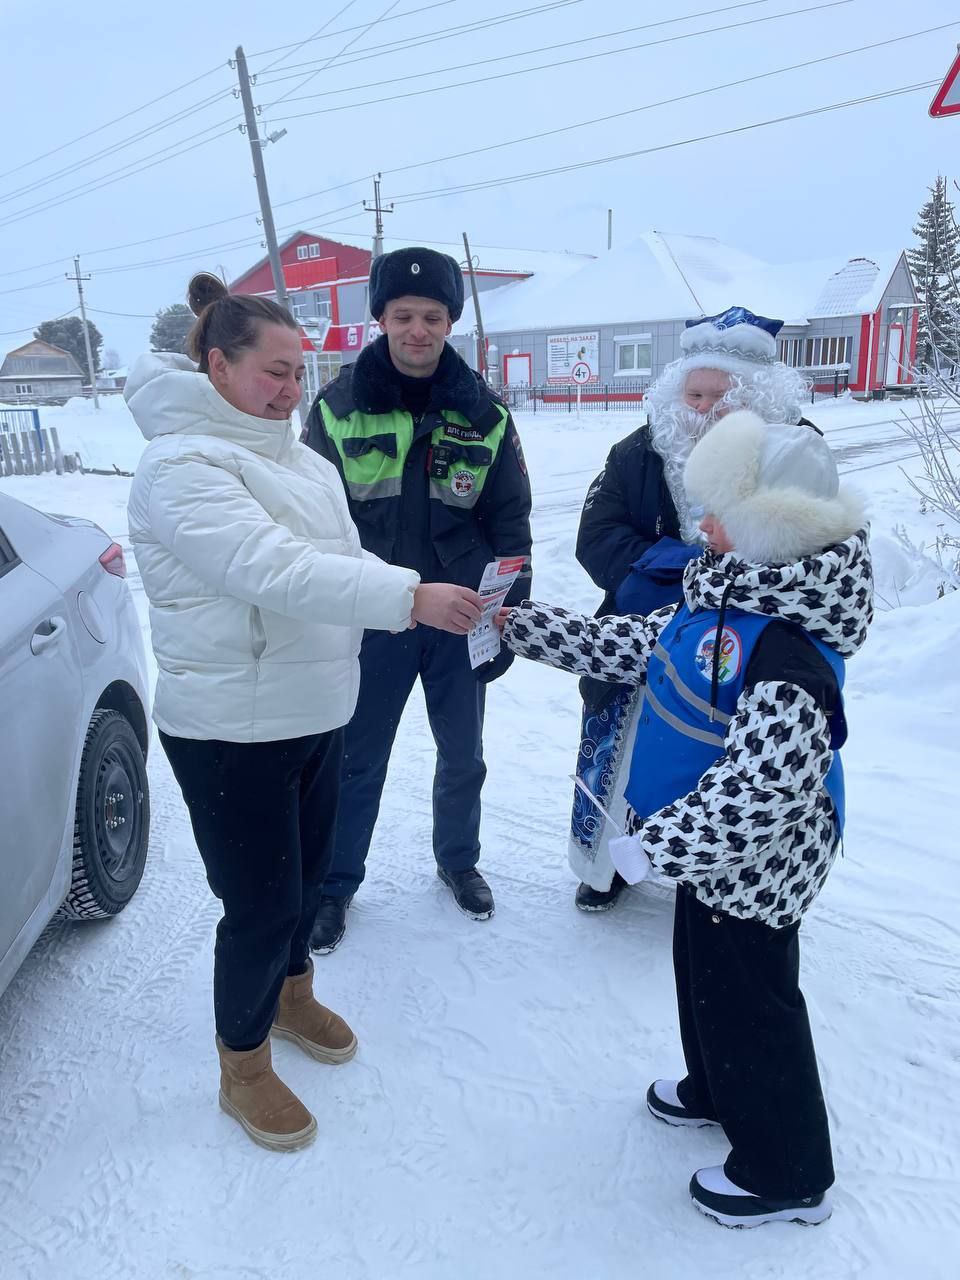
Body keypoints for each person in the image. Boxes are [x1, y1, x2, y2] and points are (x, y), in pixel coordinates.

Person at [126, 273, 481, 1152]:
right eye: (273, 372)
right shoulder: (181, 466)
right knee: (260, 904)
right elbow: (273, 569)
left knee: (308, 877)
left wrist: (434, 590)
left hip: (315, 706)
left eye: (300, 373)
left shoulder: (299, 456)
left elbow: (338, 559)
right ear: (217, 364)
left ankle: (291, 996)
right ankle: (241, 1063)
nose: (292, 391)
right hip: (229, 728)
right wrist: (411, 597)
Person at [497, 409, 872, 1227]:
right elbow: (634, 647)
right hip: (708, 851)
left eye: (718, 514)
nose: (699, 524)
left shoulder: (788, 649)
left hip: (761, 854)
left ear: (768, 530)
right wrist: (516, 625)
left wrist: (653, 849)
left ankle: (787, 1172)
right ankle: (716, 1085)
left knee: (753, 999)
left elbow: (764, 789)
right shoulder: (722, 601)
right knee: (703, 972)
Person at [303, 246, 532, 952]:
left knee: (463, 755)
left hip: (461, 617)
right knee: (355, 759)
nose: (418, 329)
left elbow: (511, 519)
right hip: (374, 616)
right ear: (380, 319)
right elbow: (314, 520)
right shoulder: (337, 409)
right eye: (403, 315)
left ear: (450, 321)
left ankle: (458, 861)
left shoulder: (485, 414)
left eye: (433, 315)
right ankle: (335, 887)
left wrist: (505, 618)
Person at [570, 306, 817, 912]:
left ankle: (715, 879)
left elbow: (810, 546)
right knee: (623, 755)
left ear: (759, 400)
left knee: (725, 768)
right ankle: (608, 866)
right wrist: (687, 571)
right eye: (695, 392)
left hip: (747, 649)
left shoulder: (797, 452)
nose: (703, 409)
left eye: (722, 396)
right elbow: (596, 535)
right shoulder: (640, 449)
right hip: (639, 638)